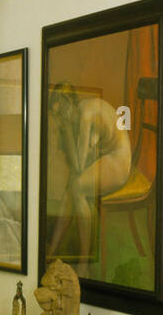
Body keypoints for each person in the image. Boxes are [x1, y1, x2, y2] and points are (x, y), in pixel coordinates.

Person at [47, 82, 132, 263]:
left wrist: (67, 129)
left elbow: (78, 165)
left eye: (59, 115)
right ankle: (53, 249)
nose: (58, 122)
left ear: (66, 106)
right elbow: (84, 157)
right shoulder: (82, 109)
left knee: (77, 188)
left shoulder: (86, 115)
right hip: (108, 156)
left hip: (119, 160)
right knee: (71, 186)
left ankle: (84, 259)